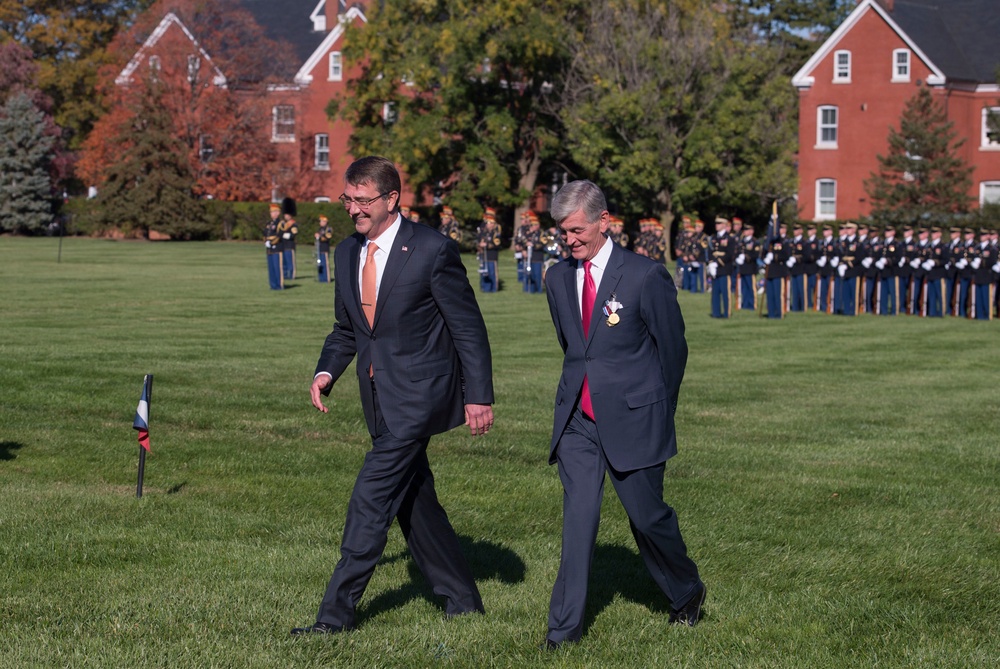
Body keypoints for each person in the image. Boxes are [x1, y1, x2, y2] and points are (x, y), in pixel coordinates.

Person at [295, 156, 494, 635]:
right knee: (415, 500)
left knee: (371, 498)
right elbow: (348, 329)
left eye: (363, 201)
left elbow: (467, 328)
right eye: (348, 199)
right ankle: (463, 601)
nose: (354, 210)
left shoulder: (432, 250)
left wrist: (479, 396)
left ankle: (334, 618)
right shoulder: (346, 253)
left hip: (419, 396)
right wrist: (326, 373)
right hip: (376, 398)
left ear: (391, 199)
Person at [541, 180, 705, 649]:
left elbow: (673, 350)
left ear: (604, 221)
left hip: (636, 419)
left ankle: (686, 591)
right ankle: (563, 631)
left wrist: (657, 409)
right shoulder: (556, 278)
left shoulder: (643, 275)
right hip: (578, 421)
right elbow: (575, 349)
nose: (569, 240)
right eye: (562, 232)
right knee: (579, 521)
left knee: (647, 518)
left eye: (576, 231)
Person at [477, 207, 501, 292]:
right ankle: (485, 288)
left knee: (492, 273)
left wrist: (486, 245)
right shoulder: (484, 232)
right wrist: (479, 245)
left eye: (490, 223)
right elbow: (479, 240)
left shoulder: (495, 233)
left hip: (491, 256)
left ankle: (494, 288)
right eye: (487, 223)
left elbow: (497, 243)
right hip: (484, 255)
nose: (488, 224)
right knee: (484, 272)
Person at [264, 203, 284, 290]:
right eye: (271, 212)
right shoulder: (269, 223)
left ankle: (279, 285)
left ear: (278, 213)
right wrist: (266, 241)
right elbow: (265, 234)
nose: (272, 214)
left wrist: (272, 243)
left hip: (277, 247)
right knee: (271, 268)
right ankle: (273, 285)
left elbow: (279, 235)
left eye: (274, 212)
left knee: (277, 268)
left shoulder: (281, 223)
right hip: (269, 249)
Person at [279, 198, 299, 281]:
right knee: (284, 263)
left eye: (287, 214)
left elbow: (293, 234)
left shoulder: (293, 224)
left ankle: (291, 275)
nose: (285, 216)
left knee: (290, 262)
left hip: (290, 246)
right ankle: (284, 275)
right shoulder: (283, 224)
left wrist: (283, 235)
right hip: (283, 245)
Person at [315, 214, 334, 283]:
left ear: (325, 221)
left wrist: (319, 237)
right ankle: (321, 278)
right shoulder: (320, 229)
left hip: (325, 248)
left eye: (321, 221)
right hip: (319, 248)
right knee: (320, 264)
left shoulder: (328, 229)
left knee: (325, 264)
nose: (320, 223)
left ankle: (326, 278)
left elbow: (327, 237)